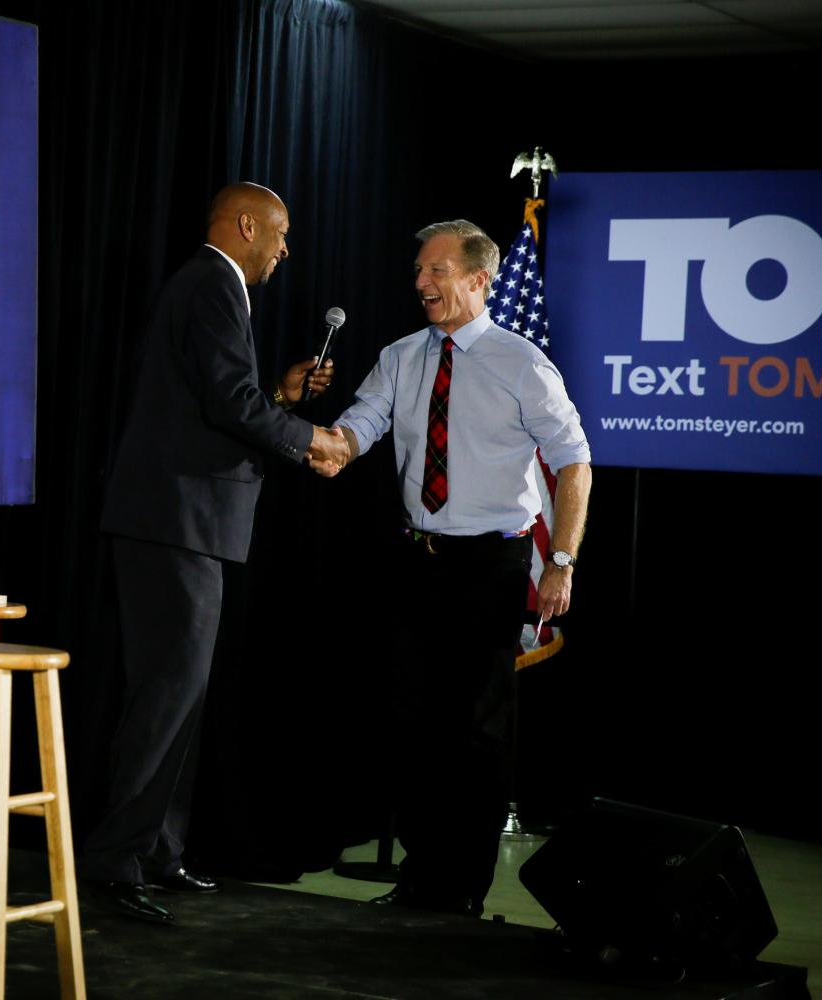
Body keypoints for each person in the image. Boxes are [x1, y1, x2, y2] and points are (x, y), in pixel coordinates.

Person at [82, 182, 350, 924]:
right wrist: (308, 440)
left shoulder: (210, 288)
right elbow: (230, 404)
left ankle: (159, 852)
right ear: (245, 225)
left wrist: (283, 397)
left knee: (184, 696)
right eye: (281, 233)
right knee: (166, 695)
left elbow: (215, 402)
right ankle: (113, 863)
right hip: (175, 521)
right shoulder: (213, 283)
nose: (286, 249)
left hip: (187, 521)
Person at [328, 219, 591, 917]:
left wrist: (559, 560)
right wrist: (334, 444)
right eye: (419, 271)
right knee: (416, 719)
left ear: (479, 279)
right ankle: (421, 878)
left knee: (475, 730)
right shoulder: (401, 355)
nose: (421, 283)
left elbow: (573, 463)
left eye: (437, 271)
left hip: (494, 564)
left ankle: (461, 892)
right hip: (421, 560)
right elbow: (364, 420)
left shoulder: (522, 362)